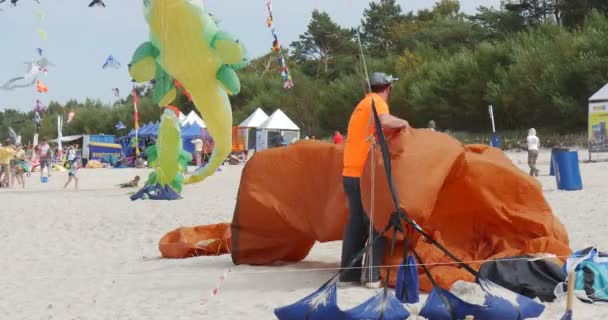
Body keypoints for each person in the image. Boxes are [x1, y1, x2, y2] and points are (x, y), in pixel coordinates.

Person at [340, 72, 410, 288]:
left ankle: (348, 274)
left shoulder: (361, 104)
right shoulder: (377, 102)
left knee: (356, 224)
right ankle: (371, 277)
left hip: (350, 173)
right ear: (388, 88)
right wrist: (405, 124)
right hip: (364, 175)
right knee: (377, 221)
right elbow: (383, 120)